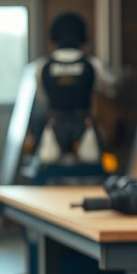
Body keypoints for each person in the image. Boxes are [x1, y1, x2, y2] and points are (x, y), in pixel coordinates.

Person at [33, 11, 117, 164]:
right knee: (92, 163)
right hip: (84, 122)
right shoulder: (92, 64)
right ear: (82, 35)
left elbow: (41, 96)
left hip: (54, 123)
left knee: (47, 162)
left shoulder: (43, 65)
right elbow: (110, 87)